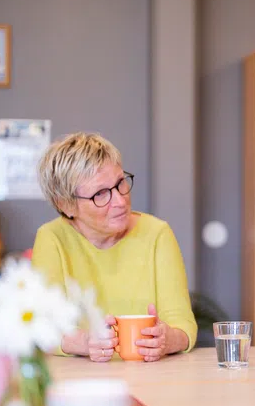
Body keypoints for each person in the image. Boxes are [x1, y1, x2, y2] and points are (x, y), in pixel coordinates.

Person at [32, 132, 197, 362]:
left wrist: (169, 339)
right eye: (100, 194)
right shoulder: (52, 238)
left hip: (150, 377)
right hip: (79, 381)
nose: (120, 201)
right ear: (66, 205)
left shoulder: (157, 233)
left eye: (120, 183)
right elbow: (41, 329)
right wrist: (84, 342)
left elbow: (183, 324)